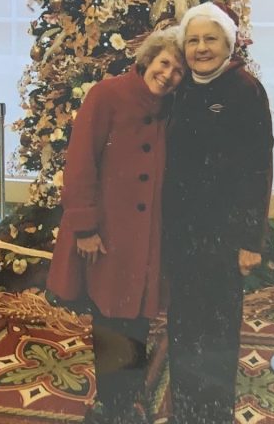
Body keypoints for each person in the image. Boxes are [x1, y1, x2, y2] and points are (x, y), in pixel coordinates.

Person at [47, 28, 186, 424]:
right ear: (148, 58)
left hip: (148, 238)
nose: (168, 74)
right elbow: (80, 164)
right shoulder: (107, 94)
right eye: (164, 63)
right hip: (109, 235)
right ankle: (111, 405)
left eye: (178, 70)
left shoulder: (170, 107)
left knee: (138, 318)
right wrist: (86, 228)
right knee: (110, 318)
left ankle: (128, 403)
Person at [162, 1, 274, 424]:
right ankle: (185, 411)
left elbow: (257, 171)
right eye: (193, 40)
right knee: (183, 325)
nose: (201, 48)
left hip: (224, 240)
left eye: (210, 39)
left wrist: (250, 242)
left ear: (228, 43)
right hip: (181, 234)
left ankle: (213, 414)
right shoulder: (181, 89)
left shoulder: (245, 90)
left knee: (218, 330)